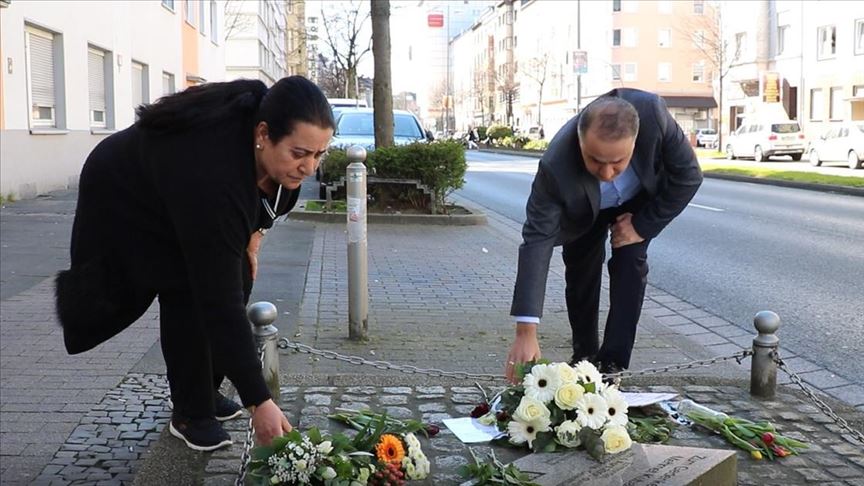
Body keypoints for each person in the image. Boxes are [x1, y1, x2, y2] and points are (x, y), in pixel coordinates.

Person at [55, 76, 335, 451]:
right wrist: (260, 401)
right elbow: (219, 301)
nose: (309, 168)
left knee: (238, 276)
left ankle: (204, 391)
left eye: (319, 155)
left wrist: (254, 238)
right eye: (299, 153)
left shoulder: (266, 151)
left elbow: (267, 207)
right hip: (127, 195)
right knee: (187, 287)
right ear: (263, 134)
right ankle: (190, 412)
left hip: (184, 191)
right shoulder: (214, 174)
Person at [504, 88, 702, 383]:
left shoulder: (654, 116)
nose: (608, 173)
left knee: (630, 266)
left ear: (636, 141)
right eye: (595, 160)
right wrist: (525, 332)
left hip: (637, 206)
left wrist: (641, 226)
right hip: (584, 210)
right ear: (581, 142)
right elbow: (536, 240)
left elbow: (688, 177)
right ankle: (584, 354)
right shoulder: (555, 166)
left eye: (618, 162)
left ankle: (612, 363)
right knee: (581, 271)